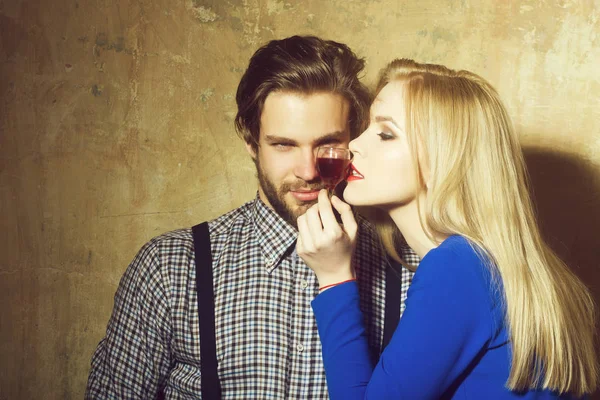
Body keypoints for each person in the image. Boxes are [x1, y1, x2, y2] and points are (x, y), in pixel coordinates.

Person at [85, 36, 418, 399]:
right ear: (250, 142)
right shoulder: (170, 268)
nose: (308, 170)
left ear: (353, 138)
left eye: (327, 143)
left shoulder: (410, 271)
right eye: (283, 145)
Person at [297, 59, 598, 399]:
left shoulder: (458, 266)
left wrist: (335, 278)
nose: (354, 144)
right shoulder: (482, 260)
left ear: (445, 158)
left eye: (385, 133)